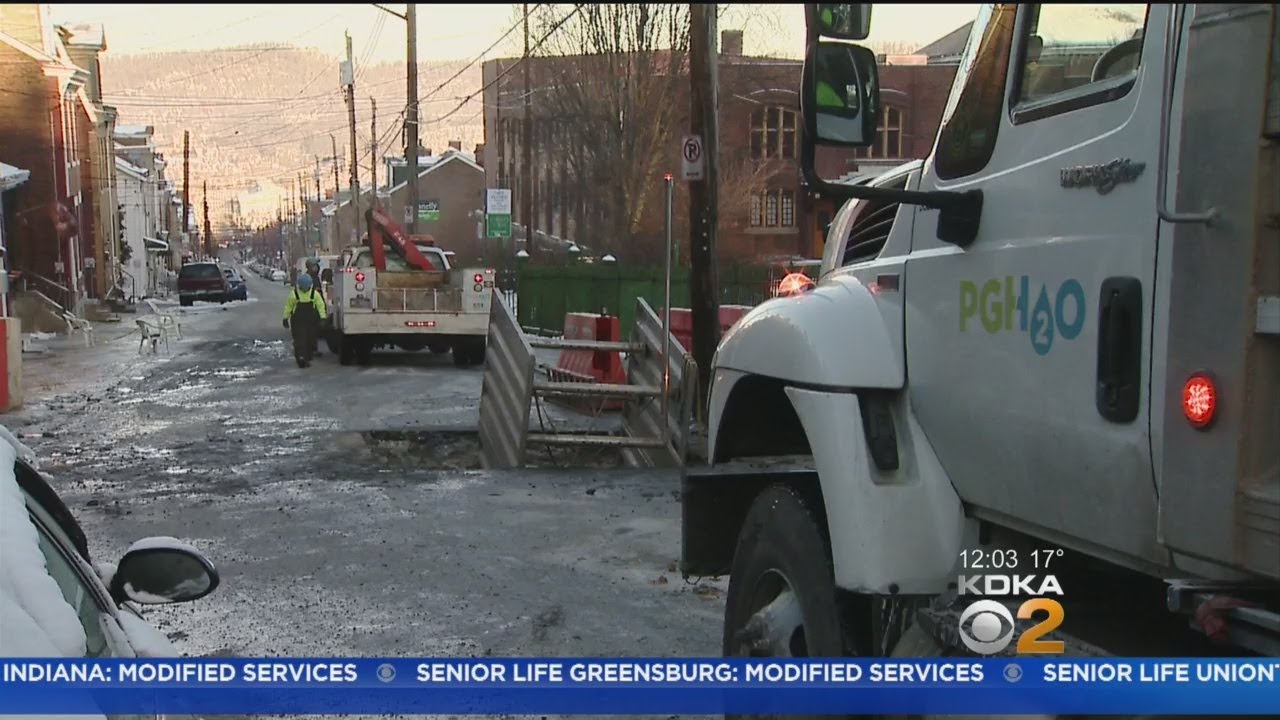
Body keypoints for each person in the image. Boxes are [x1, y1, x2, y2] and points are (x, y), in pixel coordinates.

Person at [282, 272, 327, 368]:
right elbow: (288, 307)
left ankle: (307, 357)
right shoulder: (294, 294)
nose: (305, 289)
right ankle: (301, 357)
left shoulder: (314, 294)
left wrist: (323, 318)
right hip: (298, 321)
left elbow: (321, 306)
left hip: (311, 321)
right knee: (300, 340)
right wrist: (285, 318)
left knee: (309, 339)